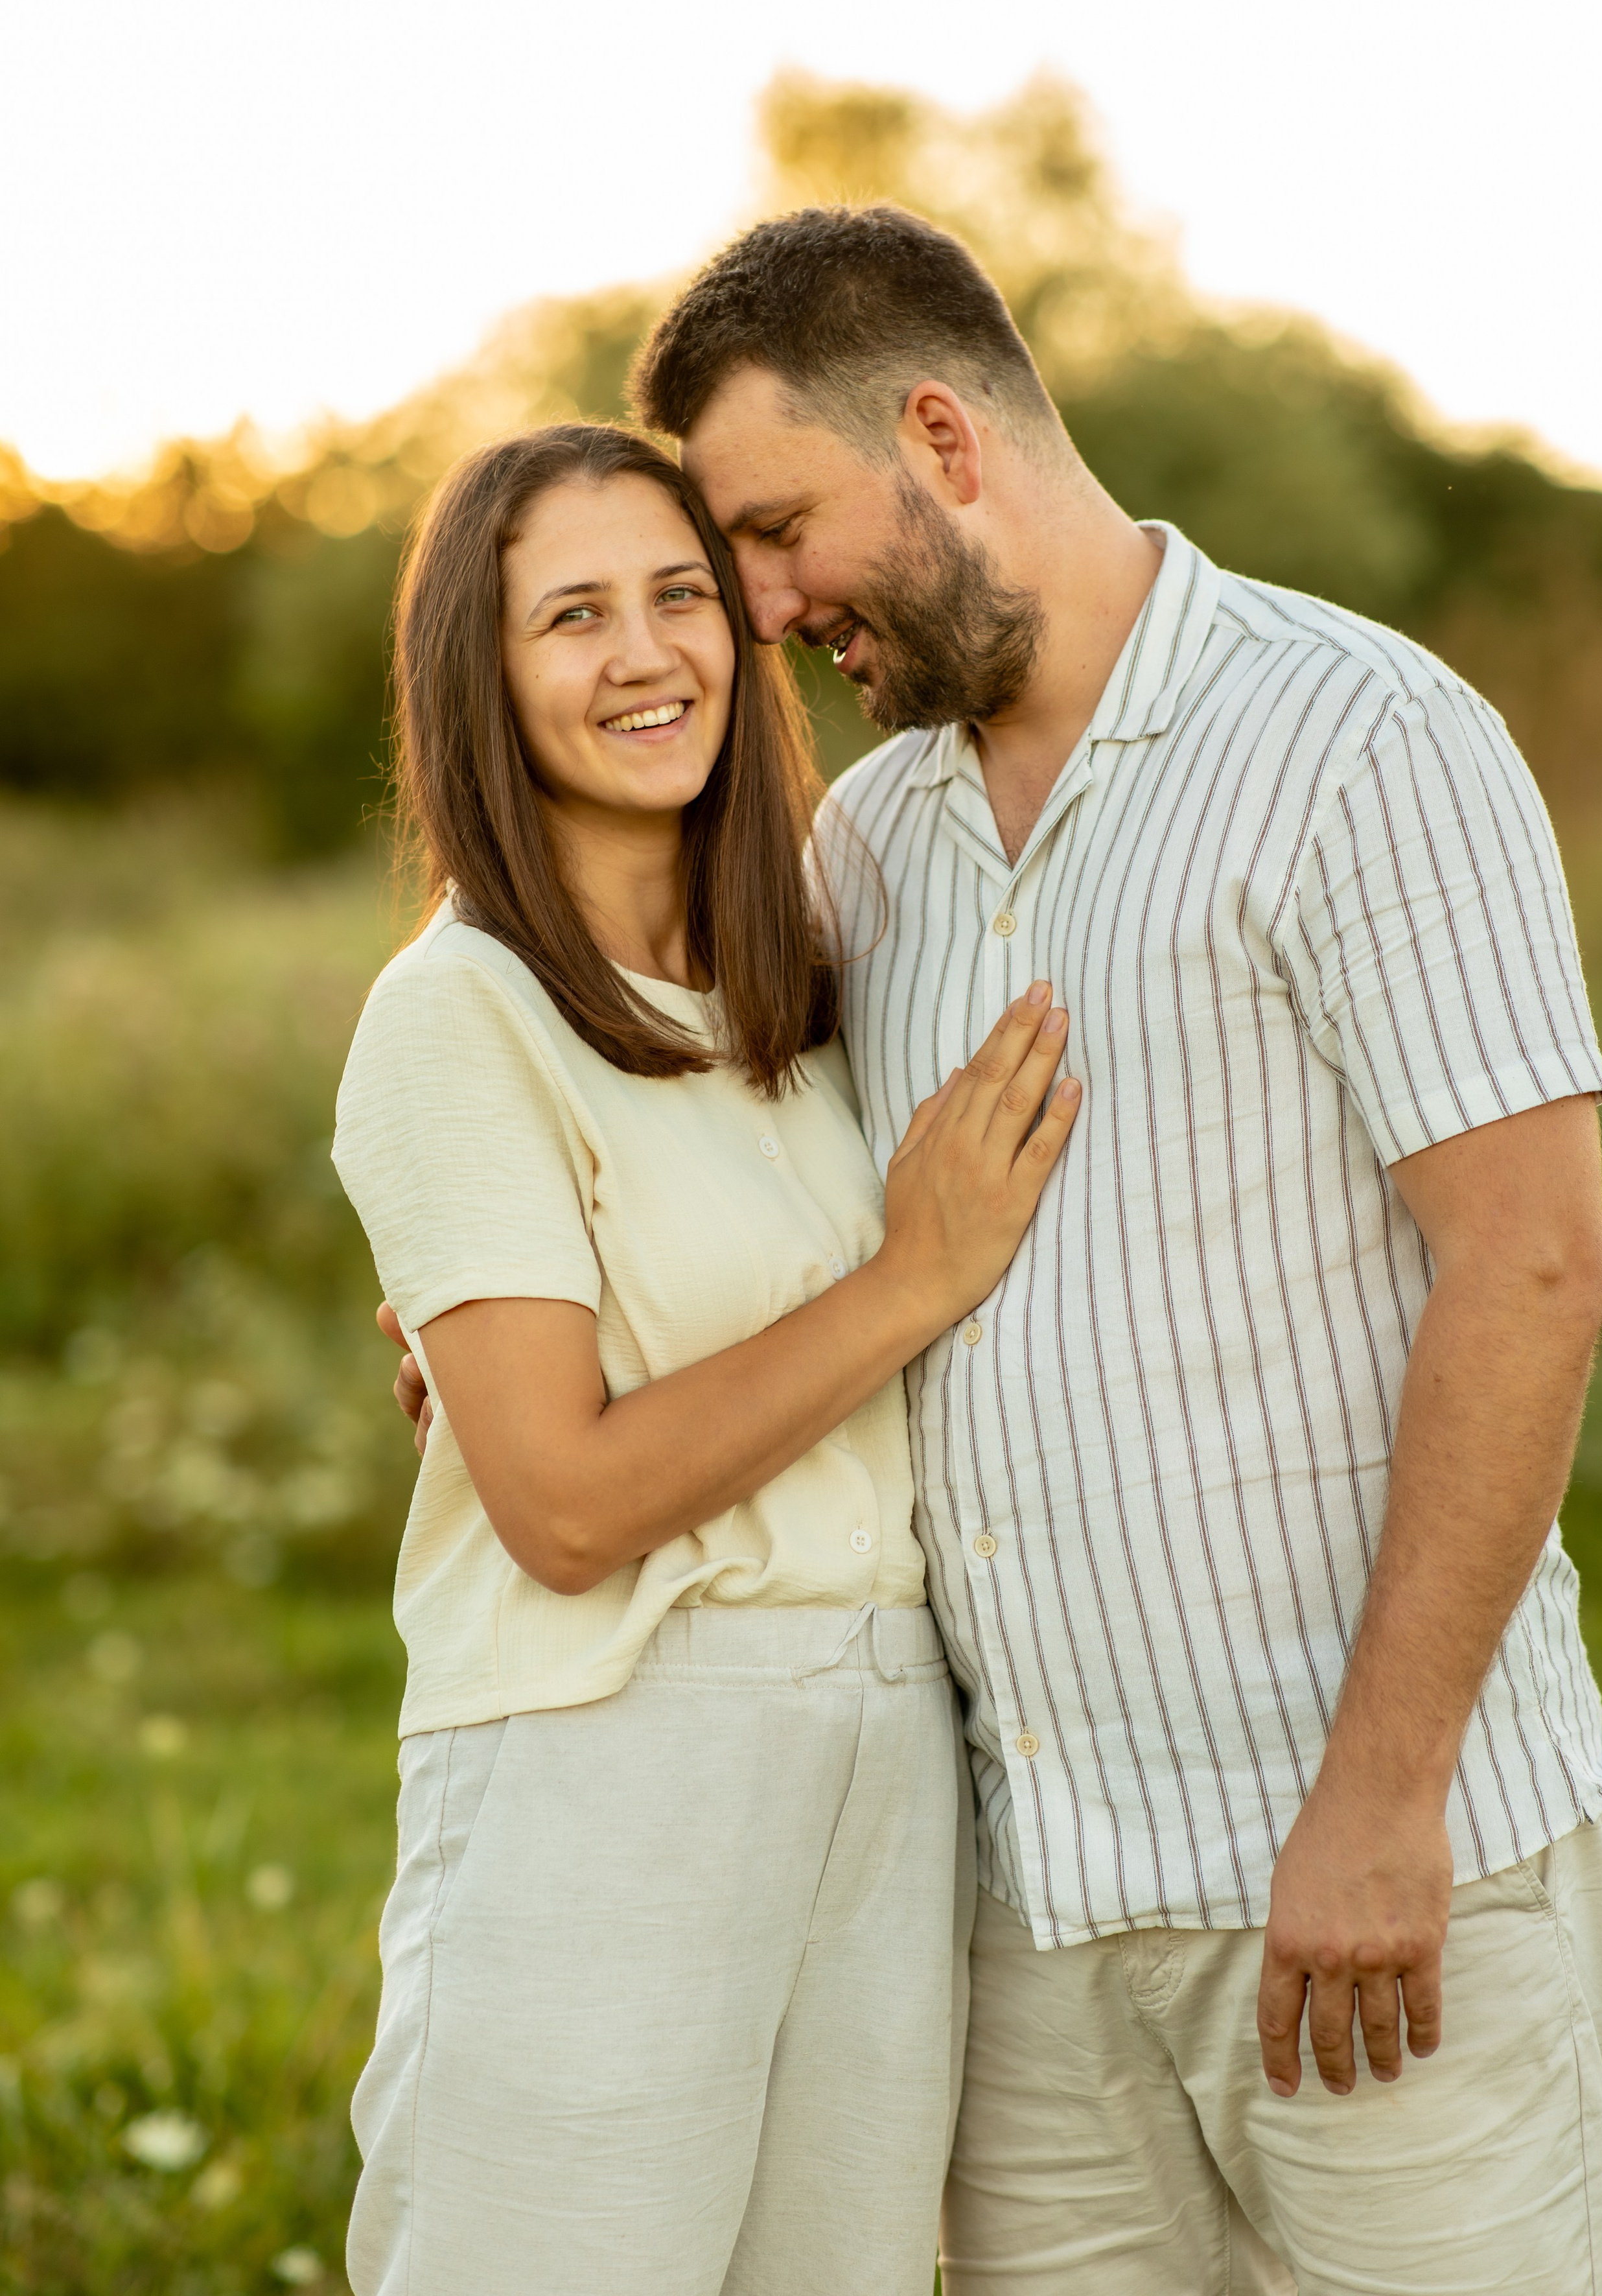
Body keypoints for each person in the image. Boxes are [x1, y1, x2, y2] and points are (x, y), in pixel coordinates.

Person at [387, 215, 1602, 2290]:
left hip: (1371, 1868)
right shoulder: (866, 849)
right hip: (1024, 1918)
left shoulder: (1357, 741)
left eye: (772, 536)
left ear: (944, 439)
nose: (762, 616)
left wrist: (1386, 1798)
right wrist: (462, 1279)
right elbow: (646, 1101)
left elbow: (1534, 1273)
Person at [332, 419, 1082, 2296]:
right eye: (570, 616)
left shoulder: (816, 977)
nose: (645, 652)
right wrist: (911, 1277)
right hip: (611, 1761)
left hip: (884, 1755)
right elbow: (567, 1506)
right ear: (479, 680)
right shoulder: (461, 1014)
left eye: (679, 594)